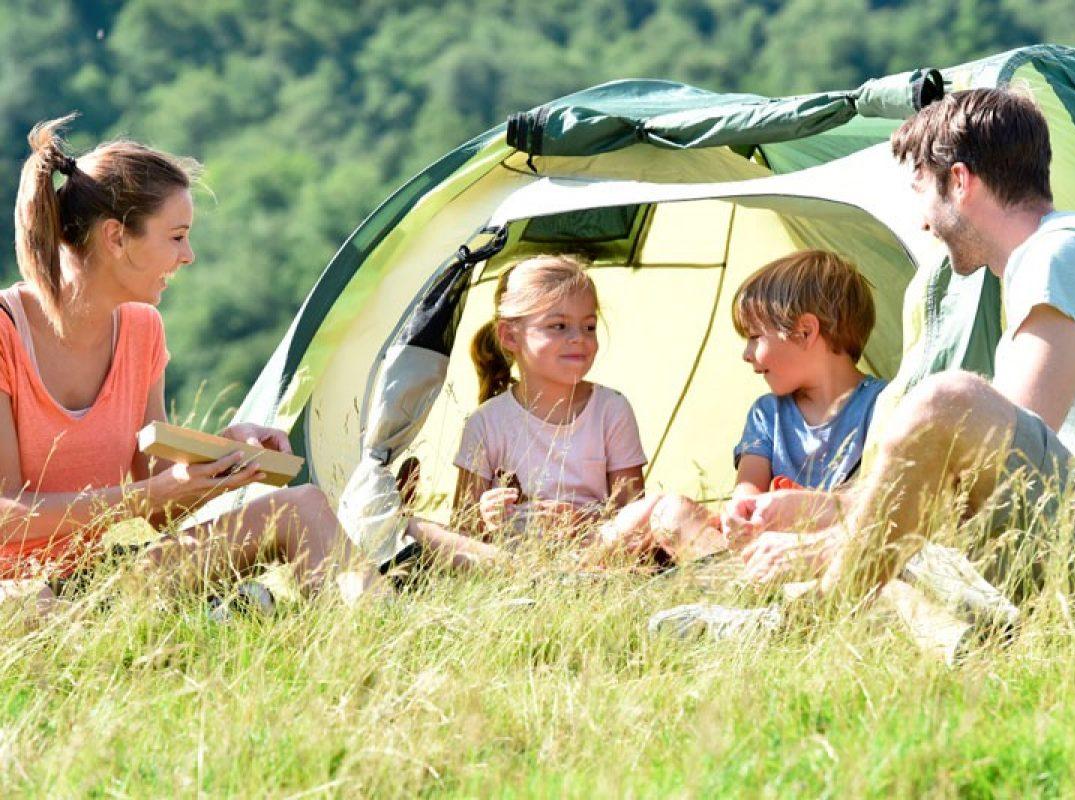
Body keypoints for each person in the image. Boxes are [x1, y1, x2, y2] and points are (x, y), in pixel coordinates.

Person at [734, 87, 1075, 597]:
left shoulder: (1060, 253)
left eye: (921, 192)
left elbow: (999, 470)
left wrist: (836, 539)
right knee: (910, 567)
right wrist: (837, 508)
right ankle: (807, 615)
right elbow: (982, 479)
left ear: (959, 181)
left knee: (946, 401)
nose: (921, 221)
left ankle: (818, 611)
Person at [0, 115, 376, 613]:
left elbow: (158, 501)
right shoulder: (6, 334)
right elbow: (7, 517)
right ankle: (224, 614)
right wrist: (146, 496)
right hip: (23, 593)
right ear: (115, 238)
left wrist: (221, 457)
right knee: (36, 607)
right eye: (176, 237)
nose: (189, 255)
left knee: (304, 507)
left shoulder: (141, 330)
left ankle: (372, 655)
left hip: (104, 580)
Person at [452, 255, 648, 542]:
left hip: (593, 555)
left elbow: (634, 518)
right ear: (509, 336)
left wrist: (581, 522)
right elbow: (462, 528)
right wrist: (485, 516)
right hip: (510, 563)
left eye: (589, 326)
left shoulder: (611, 410)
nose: (579, 338)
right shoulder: (485, 423)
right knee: (418, 530)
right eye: (559, 326)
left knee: (665, 511)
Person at [724, 249, 886, 534]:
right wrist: (739, 514)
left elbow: (887, 507)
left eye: (753, 337)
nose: (746, 355)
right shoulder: (767, 414)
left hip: (842, 548)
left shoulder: (884, 404)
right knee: (671, 512)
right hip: (770, 549)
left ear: (805, 332)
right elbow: (746, 496)